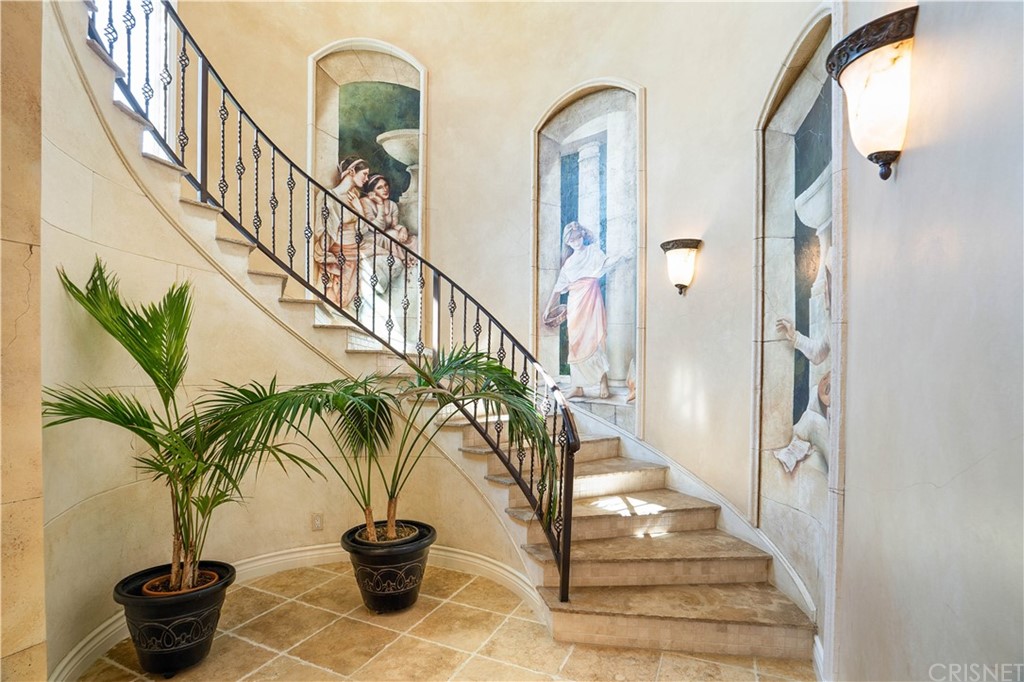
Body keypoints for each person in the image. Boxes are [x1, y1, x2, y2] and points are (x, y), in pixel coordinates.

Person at [543, 221, 625, 399]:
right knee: (576, 342)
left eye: (578, 237)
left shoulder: (593, 251)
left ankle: (603, 380)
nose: (576, 242)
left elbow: (606, 264)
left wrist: (621, 255)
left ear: (583, 236)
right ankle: (578, 386)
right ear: (568, 242)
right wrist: (548, 308)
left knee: (595, 339)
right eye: (572, 240)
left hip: (591, 298)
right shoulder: (569, 263)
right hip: (575, 303)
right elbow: (558, 287)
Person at [313, 156, 369, 309]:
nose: (367, 179)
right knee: (338, 297)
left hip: (355, 252)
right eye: (364, 174)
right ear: (351, 171)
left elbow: (362, 229)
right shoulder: (329, 197)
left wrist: (359, 211)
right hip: (340, 252)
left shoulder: (354, 198)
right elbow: (325, 230)